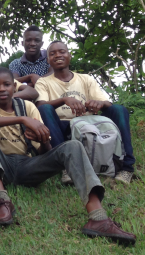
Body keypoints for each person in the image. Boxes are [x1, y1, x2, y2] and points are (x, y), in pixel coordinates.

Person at [0, 67, 136, 244]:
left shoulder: (27, 106)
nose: (1, 89)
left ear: (14, 87)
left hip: (28, 165)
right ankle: (2, 200)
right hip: (1, 163)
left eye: (6, 84)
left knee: (72, 146)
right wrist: (22, 119)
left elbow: (45, 150)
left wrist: (42, 139)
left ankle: (98, 217)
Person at [35, 41, 136, 184]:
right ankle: (66, 168)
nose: (58, 55)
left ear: (69, 56)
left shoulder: (85, 79)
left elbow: (105, 102)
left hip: (90, 124)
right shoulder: (43, 82)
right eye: (52, 53)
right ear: (48, 60)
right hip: (64, 128)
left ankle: (126, 168)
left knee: (118, 109)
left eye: (62, 52)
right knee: (44, 109)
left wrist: (98, 104)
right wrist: (64, 100)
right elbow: (40, 105)